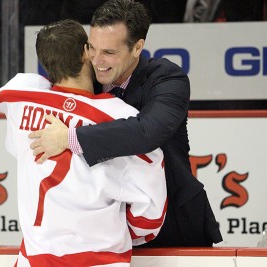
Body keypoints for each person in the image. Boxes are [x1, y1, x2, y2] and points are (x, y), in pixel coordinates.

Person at [29, 0, 223, 247]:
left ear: (137, 47)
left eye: (109, 52)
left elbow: (146, 131)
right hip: (106, 233)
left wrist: (70, 137)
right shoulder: (86, 78)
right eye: (92, 48)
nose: (97, 60)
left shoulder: (167, 78)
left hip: (173, 226)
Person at [0, 19, 168, 266]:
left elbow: (7, 92)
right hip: (100, 259)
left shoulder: (19, 100)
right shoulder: (119, 118)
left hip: (34, 260)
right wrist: (119, 232)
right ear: (86, 53)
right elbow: (150, 214)